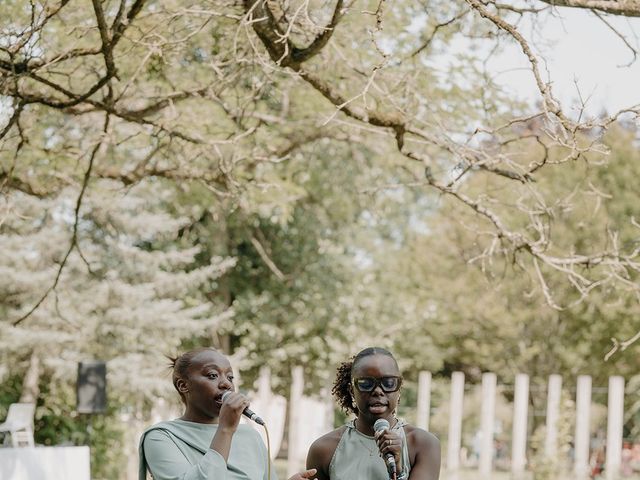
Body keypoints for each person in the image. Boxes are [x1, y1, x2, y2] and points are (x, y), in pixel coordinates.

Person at [139, 347, 317, 480]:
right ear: (183, 385)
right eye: (212, 375)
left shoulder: (250, 436)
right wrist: (225, 430)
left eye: (230, 377)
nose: (226, 384)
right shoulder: (161, 437)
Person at [306, 347, 441, 480]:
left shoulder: (424, 445)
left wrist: (399, 471)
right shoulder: (323, 449)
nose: (377, 391)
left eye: (388, 383)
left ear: (399, 389)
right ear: (352, 391)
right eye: (366, 383)